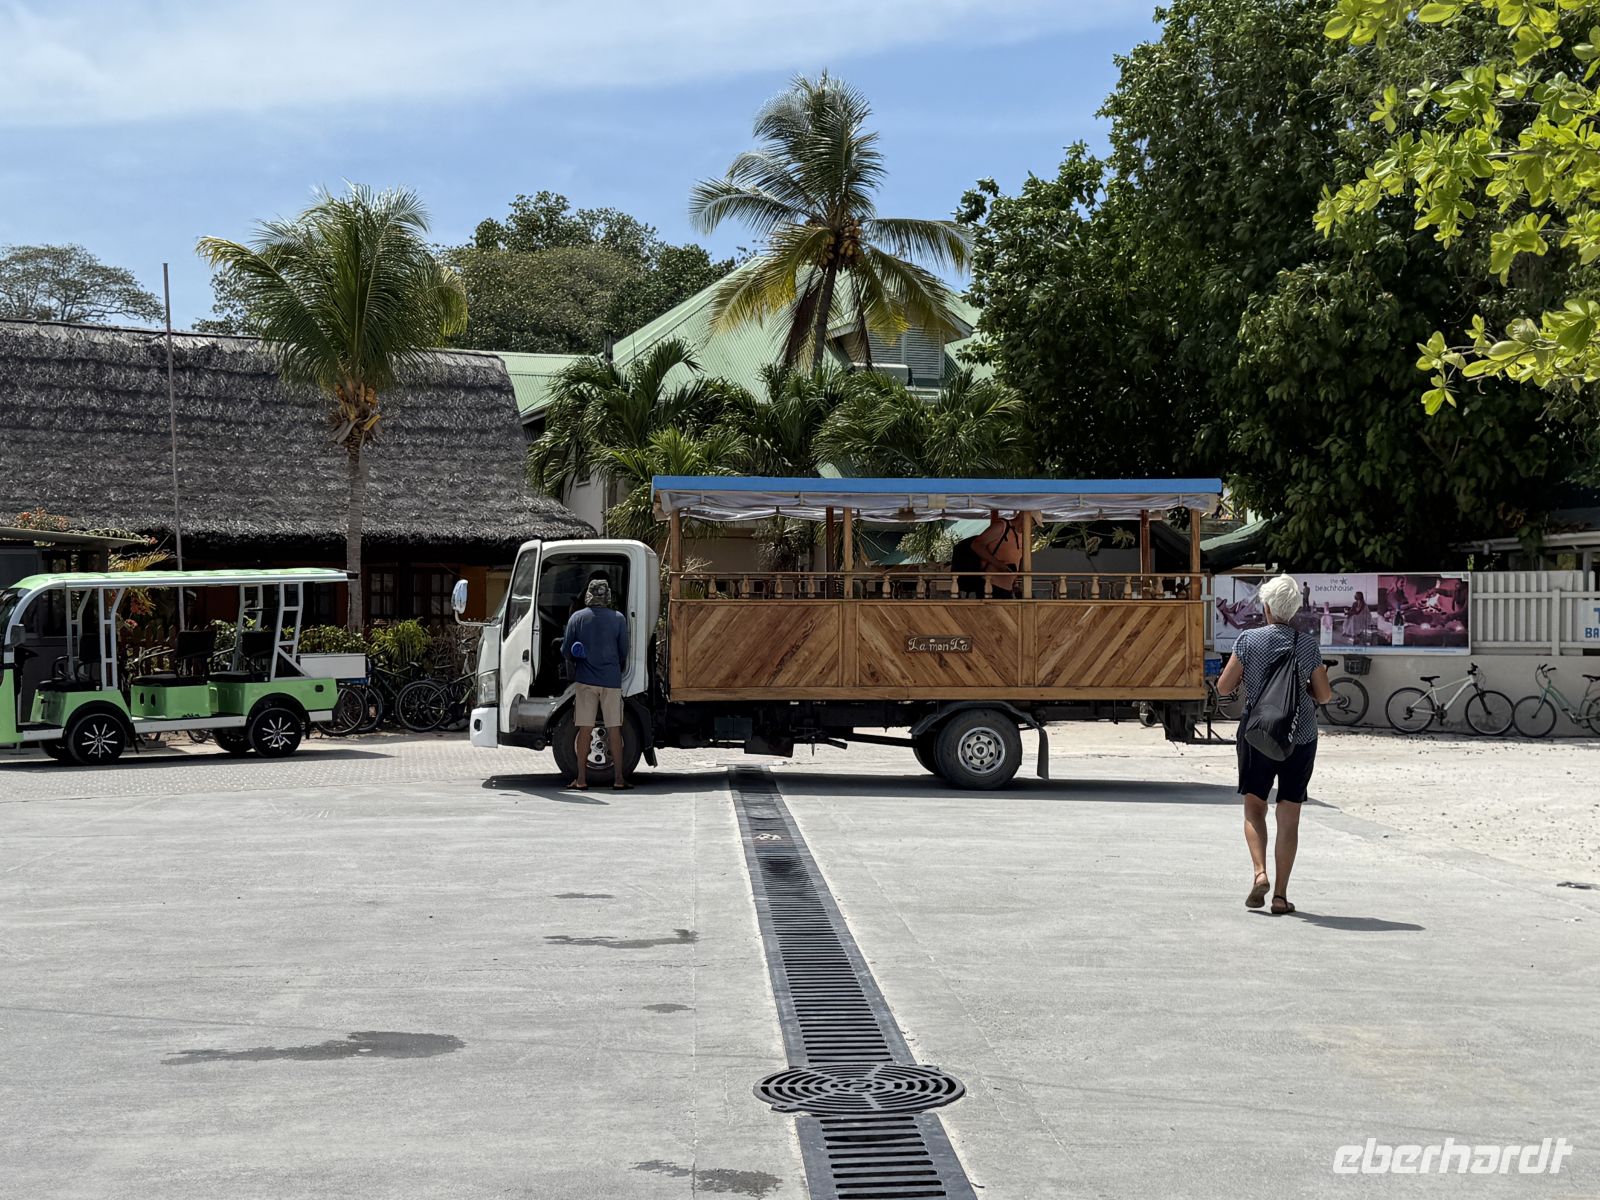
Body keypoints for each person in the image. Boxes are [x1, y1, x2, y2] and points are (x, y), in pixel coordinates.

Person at [1215, 573, 1332, 915]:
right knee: (1289, 815)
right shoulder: (1307, 645)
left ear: (1266, 606)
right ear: (1294, 609)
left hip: (1257, 735)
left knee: (1254, 809)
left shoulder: (1248, 641)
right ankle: (1280, 896)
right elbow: (1323, 695)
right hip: (1301, 736)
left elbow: (1224, 687)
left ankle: (1259, 873)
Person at [560, 578, 630, 791]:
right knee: (614, 730)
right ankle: (619, 779)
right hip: (611, 681)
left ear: (588, 595)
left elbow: (565, 651)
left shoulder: (577, 618)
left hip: (585, 681)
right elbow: (624, 651)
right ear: (607, 596)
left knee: (584, 730)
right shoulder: (618, 619)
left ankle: (581, 780)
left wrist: (578, 655)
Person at [951, 512, 1023, 598]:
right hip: (991, 584)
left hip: (1007, 586)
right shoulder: (1001, 527)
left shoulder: (1021, 535)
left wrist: (1014, 581)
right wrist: (998, 564)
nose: (1033, 526)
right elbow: (976, 545)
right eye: (1033, 522)